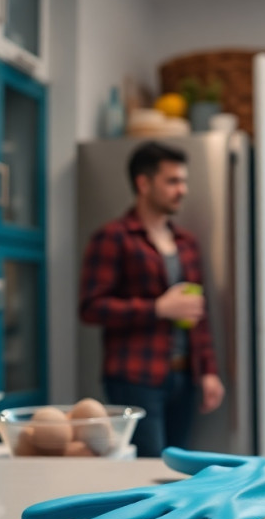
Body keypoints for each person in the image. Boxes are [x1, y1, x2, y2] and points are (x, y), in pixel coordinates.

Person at [79, 141, 225, 457]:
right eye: (172, 181)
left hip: (185, 378)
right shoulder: (113, 237)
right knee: (146, 469)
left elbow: (199, 313)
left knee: (176, 467)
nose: (182, 190)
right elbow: (91, 308)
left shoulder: (187, 243)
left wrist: (209, 371)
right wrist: (157, 308)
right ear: (143, 183)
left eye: (184, 181)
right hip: (135, 377)